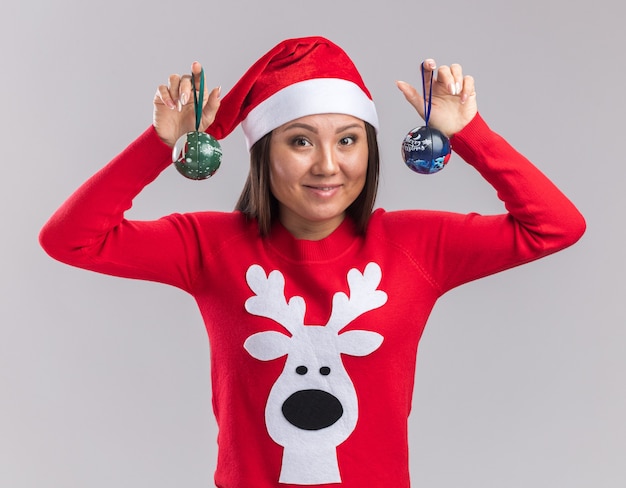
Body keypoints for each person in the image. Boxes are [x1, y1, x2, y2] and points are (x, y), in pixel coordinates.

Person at [39, 36, 585, 487]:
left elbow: (556, 226)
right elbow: (71, 240)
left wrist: (468, 134)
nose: (328, 165)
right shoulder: (209, 246)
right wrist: (161, 144)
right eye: (301, 141)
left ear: (368, 151)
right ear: (264, 155)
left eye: (348, 140)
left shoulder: (415, 246)